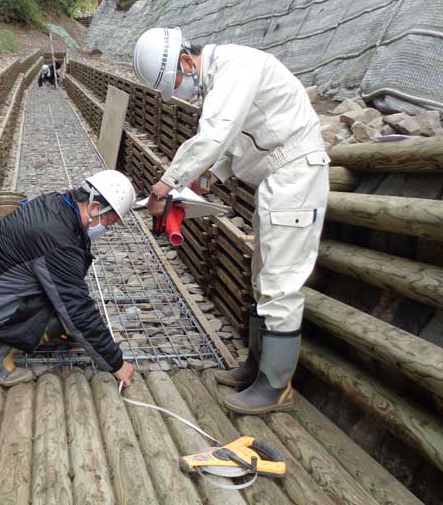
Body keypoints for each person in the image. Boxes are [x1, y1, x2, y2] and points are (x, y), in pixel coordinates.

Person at [132, 27, 329, 415]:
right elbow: (234, 147)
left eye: (176, 83)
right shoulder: (227, 73)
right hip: (279, 180)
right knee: (262, 276)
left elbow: (214, 137)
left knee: (280, 282)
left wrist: (163, 186)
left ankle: (275, 387)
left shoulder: (233, 67)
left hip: (295, 177)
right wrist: (197, 185)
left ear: (187, 62)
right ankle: (257, 368)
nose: (182, 92)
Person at [0, 170, 137, 388]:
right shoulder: (57, 240)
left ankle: (25, 329)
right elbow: (76, 307)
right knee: (67, 309)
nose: (106, 228)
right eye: (109, 222)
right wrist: (115, 363)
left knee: (65, 297)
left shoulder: (58, 204)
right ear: (95, 207)